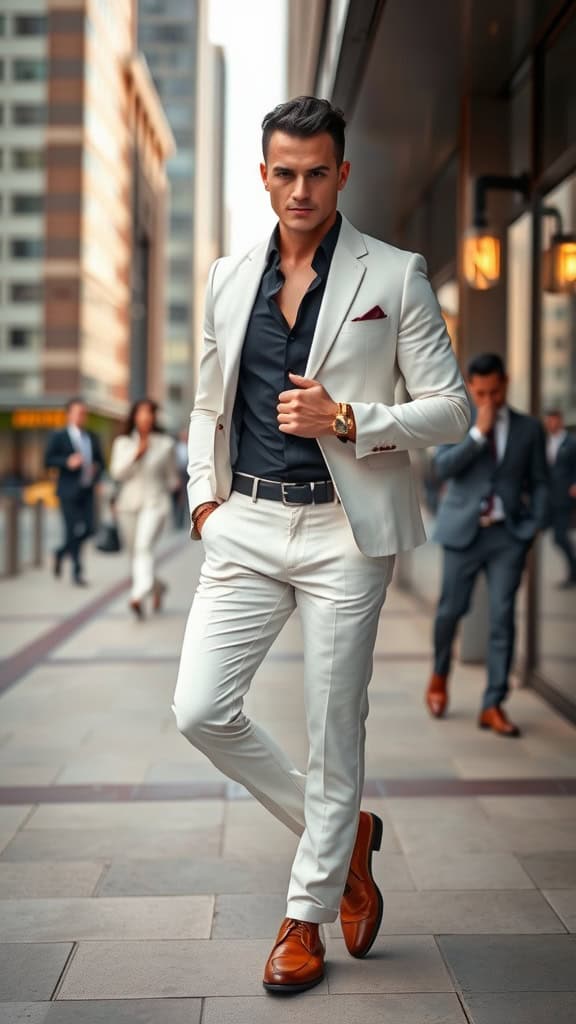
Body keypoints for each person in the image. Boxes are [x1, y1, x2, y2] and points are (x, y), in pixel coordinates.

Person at [172, 96, 469, 994]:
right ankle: (347, 840)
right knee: (199, 710)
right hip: (248, 523)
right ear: (264, 175)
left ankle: (303, 918)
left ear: (343, 173)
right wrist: (202, 504)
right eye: (283, 172)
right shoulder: (228, 277)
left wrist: (348, 417)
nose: (299, 188)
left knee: (336, 732)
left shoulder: (398, 272)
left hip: (346, 532)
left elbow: (450, 409)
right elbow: (205, 406)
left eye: (316, 172)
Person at [426, 353, 549, 737]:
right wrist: (478, 432)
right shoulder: (458, 419)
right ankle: (439, 675)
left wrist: (531, 528)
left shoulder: (529, 429)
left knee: (502, 618)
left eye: (495, 392)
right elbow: (441, 468)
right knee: (449, 611)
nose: (489, 400)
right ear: (470, 386)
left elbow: (541, 481)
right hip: (462, 533)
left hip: (506, 537)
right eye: (480, 393)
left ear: (506, 383)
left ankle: (493, 702)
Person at [110, 399, 179, 620]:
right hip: (128, 505)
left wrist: (174, 488)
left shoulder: (166, 444)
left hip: (156, 503)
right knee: (136, 554)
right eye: (141, 413)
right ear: (134, 416)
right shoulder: (123, 443)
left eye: (149, 413)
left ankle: (138, 595)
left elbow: (172, 478)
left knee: (143, 547)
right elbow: (117, 474)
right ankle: (157, 587)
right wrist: (136, 455)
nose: (145, 417)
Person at [45, 397, 105, 586]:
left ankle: (61, 553)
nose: (82, 416)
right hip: (67, 492)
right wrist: (67, 462)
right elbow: (47, 461)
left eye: (84, 413)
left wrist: (97, 470)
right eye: (78, 413)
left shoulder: (91, 437)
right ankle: (77, 573)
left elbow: (102, 462)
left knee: (89, 529)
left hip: (87, 491)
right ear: (69, 414)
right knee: (71, 530)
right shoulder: (59, 436)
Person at [544, 409, 576, 587]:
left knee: (560, 536)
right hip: (549, 496)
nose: (551, 424)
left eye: (554, 420)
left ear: (560, 421)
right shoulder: (545, 441)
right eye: (548, 420)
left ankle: (573, 571)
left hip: (564, 495)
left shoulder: (571, 442)